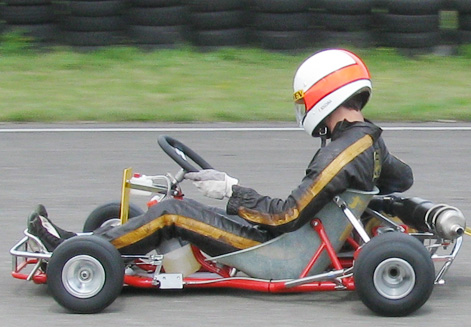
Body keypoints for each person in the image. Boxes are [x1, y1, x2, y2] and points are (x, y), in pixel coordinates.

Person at [27, 49, 413, 257]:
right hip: (296, 238)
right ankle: (98, 241)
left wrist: (231, 191)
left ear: (324, 94)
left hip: (277, 251)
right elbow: (402, 177)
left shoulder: (342, 153)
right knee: (174, 209)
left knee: (170, 213)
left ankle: (76, 252)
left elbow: (286, 215)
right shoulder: (367, 141)